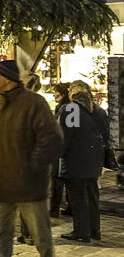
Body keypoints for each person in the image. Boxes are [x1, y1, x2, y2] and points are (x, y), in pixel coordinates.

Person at [0, 59, 62, 257]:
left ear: (7, 77)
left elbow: (51, 138)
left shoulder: (34, 103)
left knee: (41, 235)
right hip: (0, 182)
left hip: (28, 184)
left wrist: (34, 166)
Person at [59, 80, 109, 242]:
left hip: (76, 160)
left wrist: (58, 153)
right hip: (94, 160)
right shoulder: (98, 110)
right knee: (92, 194)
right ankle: (95, 229)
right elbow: (106, 135)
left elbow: (66, 136)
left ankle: (81, 232)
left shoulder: (72, 109)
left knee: (78, 197)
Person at [50, 83, 73, 217]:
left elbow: (66, 130)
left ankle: (54, 209)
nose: (54, 94)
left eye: (56, 92)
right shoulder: (64, 107)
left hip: (61, 150)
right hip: (61, 148)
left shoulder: (68, 108)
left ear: (63, 93)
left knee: (58, 179)